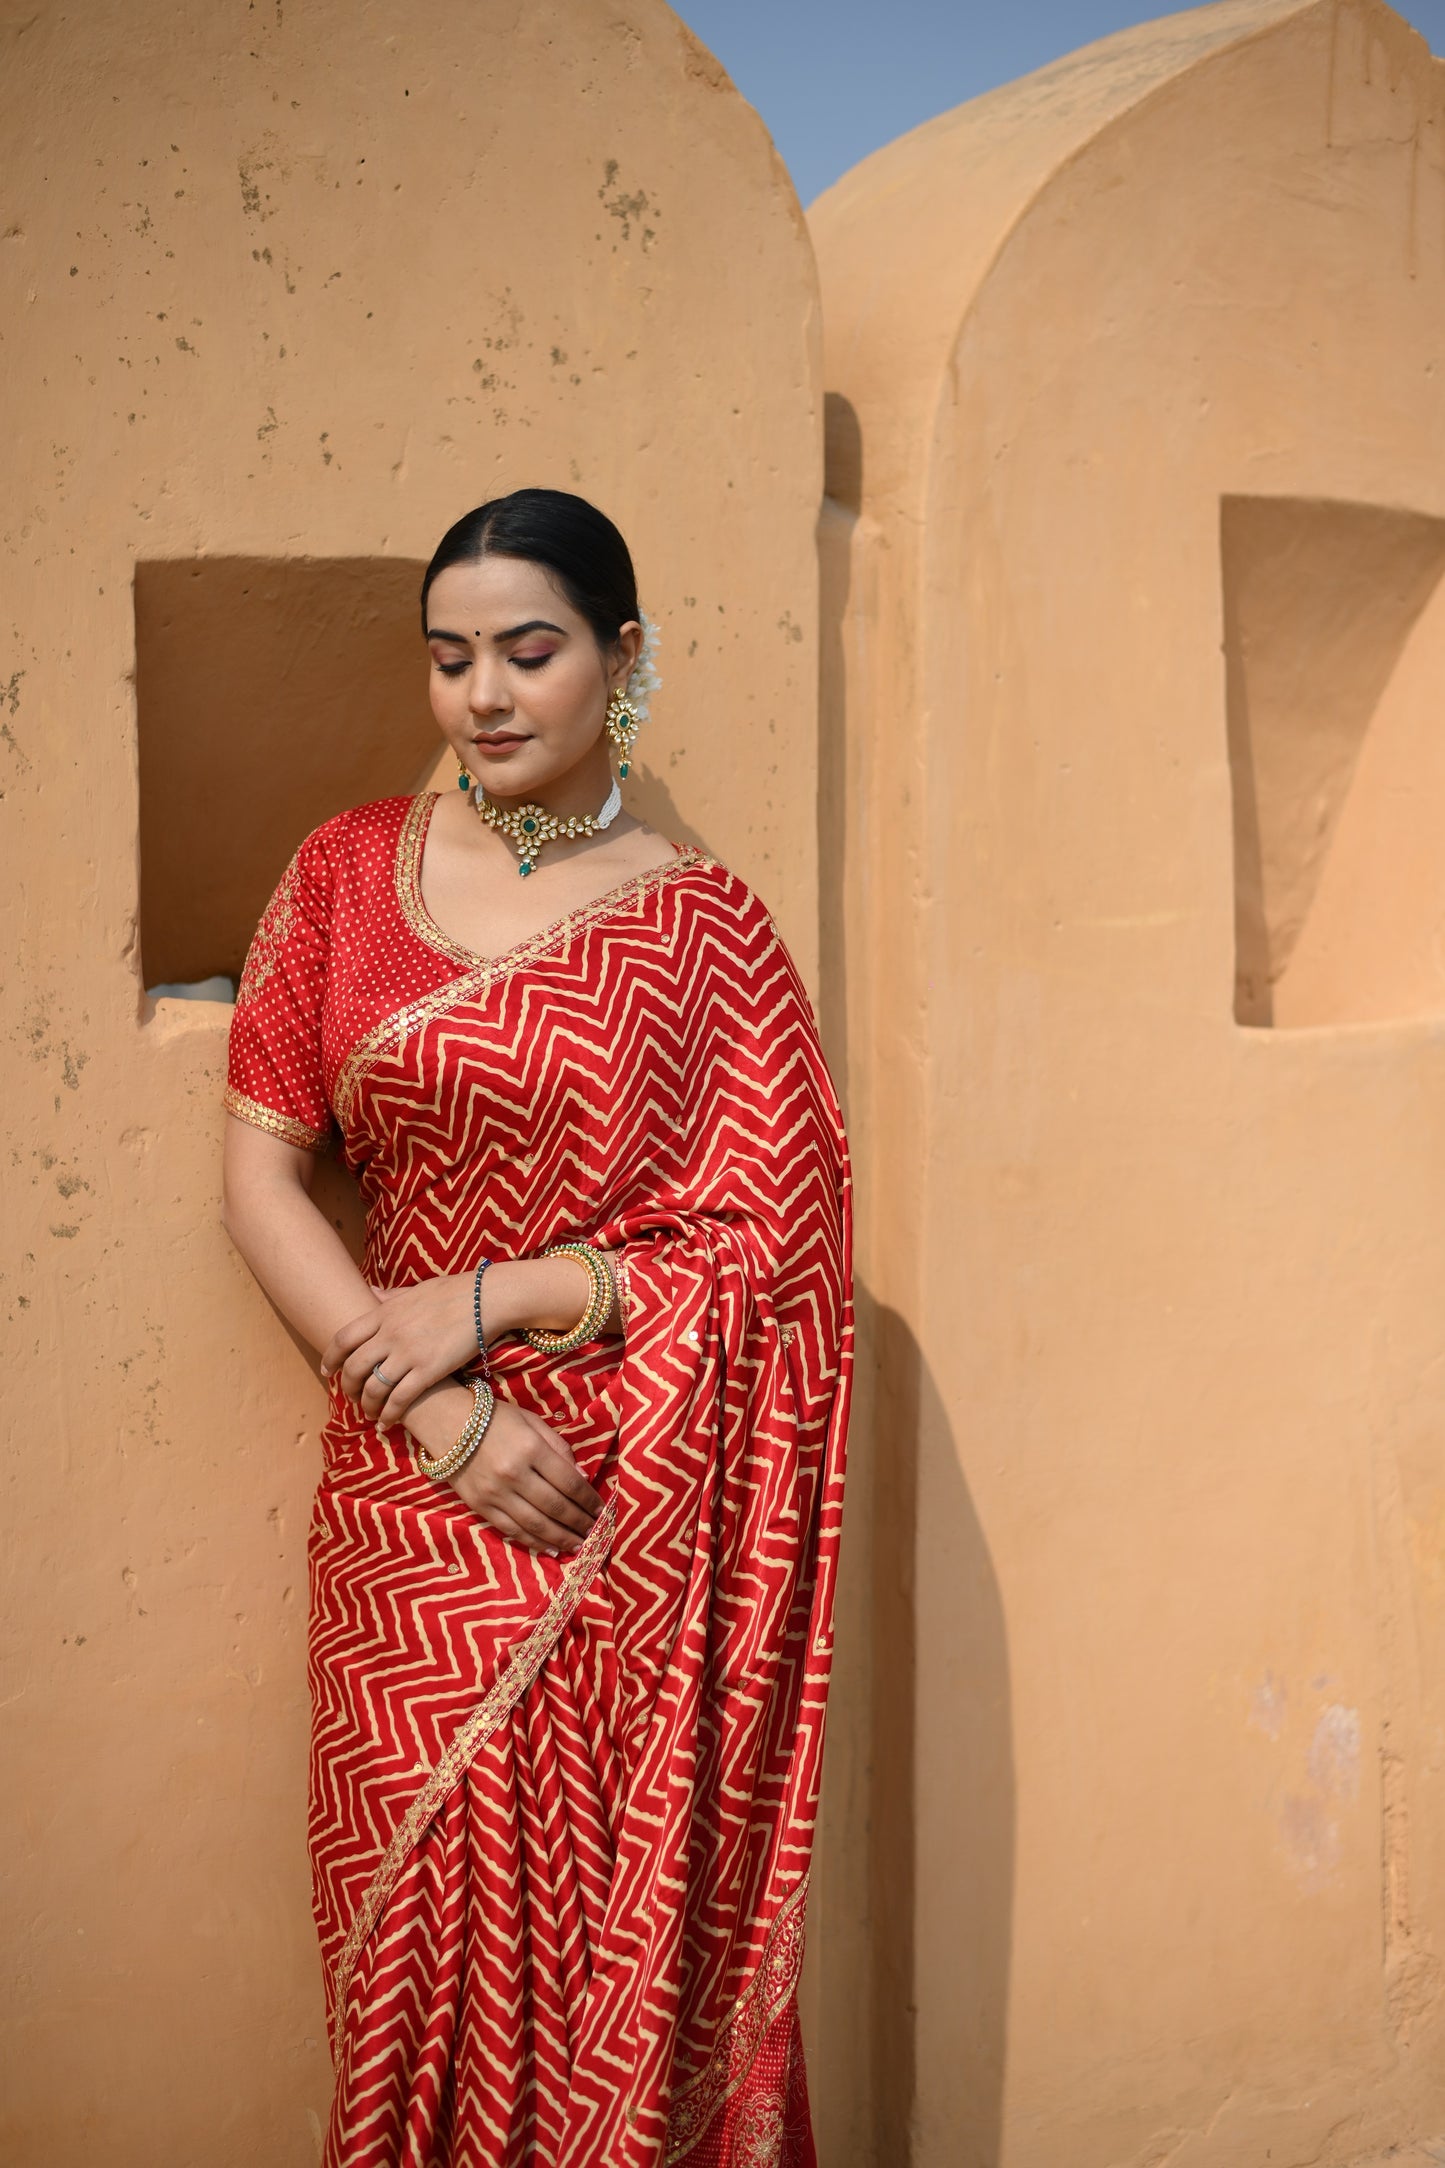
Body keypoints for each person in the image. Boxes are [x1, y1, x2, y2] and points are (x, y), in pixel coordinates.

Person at [221, 488, 854, 2168]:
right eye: (450, 661)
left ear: (619, 658)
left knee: (600, 1954)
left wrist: (493, 1302)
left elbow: (774, 1249)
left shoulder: (705, 929)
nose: (484, 696)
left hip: (622, 1511)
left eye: (527, 651)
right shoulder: (348, 874)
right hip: (409, 1516)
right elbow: (262, 1181)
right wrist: (440, 1410)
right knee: (408, 1957)